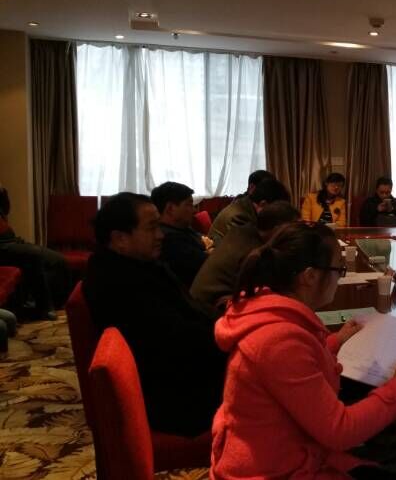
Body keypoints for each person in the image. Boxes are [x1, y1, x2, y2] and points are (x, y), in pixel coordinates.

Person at [210, 222, 396, 479]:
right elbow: (340, 430)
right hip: (274, 470)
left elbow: (294, 368)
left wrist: (334, 342)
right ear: (310, 276)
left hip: (277, 453)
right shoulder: (279, 341)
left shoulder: (267, 312)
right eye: (339, 270)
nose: (340, 278)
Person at [83, 193, 226, 437]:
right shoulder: (119, 284)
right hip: (174, 397)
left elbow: (187, 313)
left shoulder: (136, 264)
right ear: (120, 239)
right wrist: (231, 334)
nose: (161, 235)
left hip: (182, 371)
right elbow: (178, 339)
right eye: (151, 228)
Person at [191, 201, 300, 315]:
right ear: (278, 229)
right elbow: (267, 291)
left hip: (200, 305)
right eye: (293, 228)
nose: (295, 234)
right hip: (209, 312)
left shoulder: (241, 232)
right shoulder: (255, 251)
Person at [0, 185, 67, 319]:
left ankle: (57, 302)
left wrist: (2, 192)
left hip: (12, 240)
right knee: (33, 254)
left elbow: (6, 210)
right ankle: (44, 307)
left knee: (58, 260)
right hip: (1, 246)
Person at [151, 181, 211, 287]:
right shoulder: (170, 241)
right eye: (189, 204)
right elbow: (210, 265)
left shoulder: (181, 227)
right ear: (170, 209)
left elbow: (207, 239)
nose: (194, 210)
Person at [209, 178, 290, 245]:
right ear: (263, 204)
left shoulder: (245, 204)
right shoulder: (240, 217)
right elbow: (250, 250)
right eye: (277, 213)